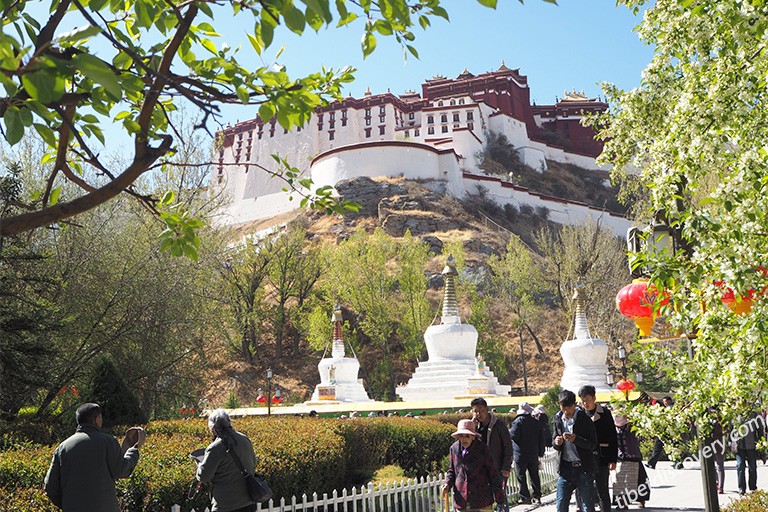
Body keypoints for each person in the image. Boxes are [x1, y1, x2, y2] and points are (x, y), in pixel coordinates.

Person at [44, 402, 146, 512]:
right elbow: (121, 471)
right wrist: (134, 449)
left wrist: (67, 504)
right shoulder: (107, 441)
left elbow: (50, 486)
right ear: (96, 419)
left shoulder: (62, 447)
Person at [197, 409, 258, 512]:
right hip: (248, 501)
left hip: (226, 505)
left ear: (212, 428)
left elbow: (204, 476)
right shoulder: (244, 439)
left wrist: (199, 465)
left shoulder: (215, 448)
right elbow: (253, 463)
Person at [442, 419, 506, 511]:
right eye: (461, 436)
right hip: (462, 499)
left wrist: (500, 498)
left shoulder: (483, 449)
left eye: (467, 436)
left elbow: (493, 473)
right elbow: (452, 470)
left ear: (473, 436)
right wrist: (447, 484)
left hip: (481, 499)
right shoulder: (454, 448)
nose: (464, 439)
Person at [553, 389, 598, 512]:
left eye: (569, 408)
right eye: (563, 408)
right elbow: (553, 441)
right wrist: (557, 443)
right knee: (561, 505)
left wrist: (576, 440)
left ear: (575, 405)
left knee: (587, 506)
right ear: (560, 405)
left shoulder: (585, 419)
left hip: (583, 468)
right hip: (565, 469)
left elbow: (593, 445)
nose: (566, 412)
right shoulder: (558, 419)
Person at [578, 385, 617, 512]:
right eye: (582, 401)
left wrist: (613, 459)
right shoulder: (579, 414)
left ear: (594, 398)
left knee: (602, 489)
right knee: (583, 489)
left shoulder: (605, 413)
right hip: (584, 457)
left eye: (587, 400)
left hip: (602, 456)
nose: (585, 403)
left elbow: (612, 436)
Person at [471, 397, 513, 485]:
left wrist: (506, 467)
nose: (479, 414)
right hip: (480, 469)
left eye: (481, 411)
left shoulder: (499, 425)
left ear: (487, 409)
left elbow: (508, 446)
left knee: (499, 496)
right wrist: (472, 427)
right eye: (475, 411)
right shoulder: (474, 426)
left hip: (497, 468)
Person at [509, 402, 545, 504]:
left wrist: (509, 432)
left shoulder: (517, 422)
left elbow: (514, 436)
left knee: (521, 475)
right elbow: (540, 439)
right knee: (534, 475)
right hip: (533, 453)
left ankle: (525, 497)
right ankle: (537, 495)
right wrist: (541, 452)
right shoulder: (536, 422)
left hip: (520, 454)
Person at [612, 415, 650, 509]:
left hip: (633, 456)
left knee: (640, 480)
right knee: (620, 481)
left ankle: (641, 500)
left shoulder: (632, 428)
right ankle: (622, 502)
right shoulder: (613, 429)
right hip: (620, 458)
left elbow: (635, 440)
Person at [733, 407, 765, 495]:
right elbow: (731, 428)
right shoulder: (735, 412)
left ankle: (753, 487)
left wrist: (761, 443)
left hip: (751, 445)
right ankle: (741, 488)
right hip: (739, 446)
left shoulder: (754, 414)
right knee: (740, 467)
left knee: (752, 468)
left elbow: (760, 429)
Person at [645, 396, 673, 469]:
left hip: (666, 430)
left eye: (666, 401)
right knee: (669, 447)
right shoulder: (667, 408)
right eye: (664, 402)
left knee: (659, 447)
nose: (665, 403)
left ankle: (651, 463)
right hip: (665, 431)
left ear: (669, 401)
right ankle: (652, 463)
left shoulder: (670, 408)